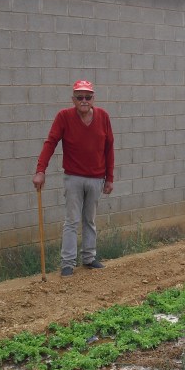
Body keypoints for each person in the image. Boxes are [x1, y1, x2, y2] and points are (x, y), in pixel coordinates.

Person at [33, 80, 114, 277]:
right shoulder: (64, 117)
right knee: (71, 221)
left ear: (93, 98)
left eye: (88, 97)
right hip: (73, 178)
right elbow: (50, 143)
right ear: (73, 99)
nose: (84, 100)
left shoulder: (103, 116)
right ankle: (67, 263)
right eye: (79, 97)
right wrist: (40, 170)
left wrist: (109, 178)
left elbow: (109, 147)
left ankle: (89, 258)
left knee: (89, 220)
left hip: (96, 178)